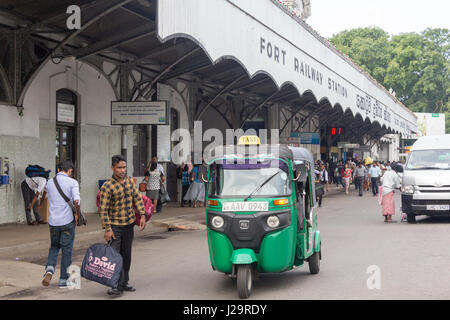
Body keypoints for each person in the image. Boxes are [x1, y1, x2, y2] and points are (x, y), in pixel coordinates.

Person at [99, 155, 147, 296]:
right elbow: (103, 210)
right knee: (115, 256)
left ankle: (124, 282)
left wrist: (142, 215)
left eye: (124, 167)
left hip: (129, 225)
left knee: (126, 255)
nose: (122, 170)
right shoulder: (107, 186)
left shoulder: (129, 182)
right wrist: (107, 229)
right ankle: (116, 285)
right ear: (112, 168)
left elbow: (137, 198)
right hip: (115, 227)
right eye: (119, 167)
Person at [41, 161, 80, 288]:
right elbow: (76, 201)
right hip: (67, 222)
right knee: (67, 251)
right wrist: (77, 214)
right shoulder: (73, 182)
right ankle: (63, 280)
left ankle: (50, 269)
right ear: (70, 171)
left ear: (58, 169)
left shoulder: (49, 182)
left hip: (53, 222)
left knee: (54, 247)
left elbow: (45, 195)